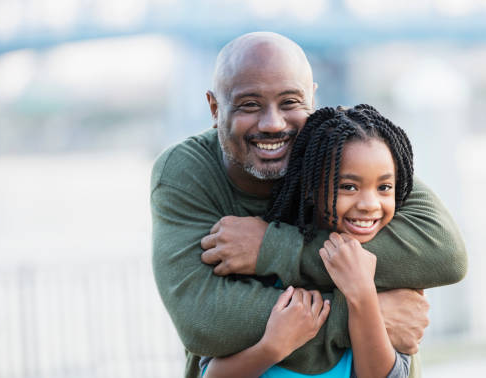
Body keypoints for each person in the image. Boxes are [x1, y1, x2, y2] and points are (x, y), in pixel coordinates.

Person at [150, 32, 467, 378]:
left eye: (290, 102)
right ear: (214, 108)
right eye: (250, 105)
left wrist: (273, 248)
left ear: (312, 98)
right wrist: (365, 314)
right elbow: (205, 322)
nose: (272, 123)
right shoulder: (186, 171)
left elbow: (444, 252)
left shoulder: (343, 149)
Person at [200, 104, 420, 378]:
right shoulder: (256, 257)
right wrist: (272, 347)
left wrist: (363, 294)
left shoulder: (390, 273)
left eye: (384, 187)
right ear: (311, 188)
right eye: (348, 187)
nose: (369, 204)